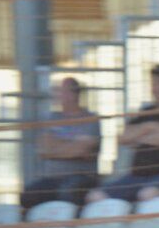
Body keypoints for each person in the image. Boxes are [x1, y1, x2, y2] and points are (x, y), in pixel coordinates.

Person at [92, 63, 159, 203]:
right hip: (138, 176)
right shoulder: (146, 111)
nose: (158, 88)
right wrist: (150, 128)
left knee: (148, 194)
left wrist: (142, 134)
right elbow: (122, 138)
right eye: (154, 83)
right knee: (96, 196)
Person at [20, 78, 102, 209]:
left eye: (62, 92)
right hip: (52, 178)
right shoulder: (52, 118)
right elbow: (44, 149)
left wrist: (57, 147)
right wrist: (72, 145)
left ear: (74, 95)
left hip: (81, 177)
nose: (57, 95)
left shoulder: (91, 119)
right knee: (29, 195)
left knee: (67, 192)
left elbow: (83, 150)